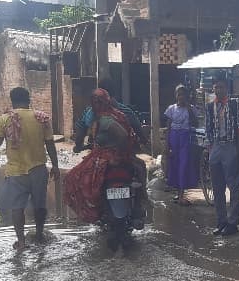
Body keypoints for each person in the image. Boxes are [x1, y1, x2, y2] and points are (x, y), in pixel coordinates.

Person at [0, 87, 59, 250]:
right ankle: (40, 234)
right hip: (38, 169)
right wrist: (55, 165)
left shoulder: (5, 118)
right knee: (39, 205)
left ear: (12, 101)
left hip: (16, 172)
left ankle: (21, 242)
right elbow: (50, 143)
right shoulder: (41, 118)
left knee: (17, 207)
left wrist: (0, 134)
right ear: (29, 100)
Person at [64, 89, 143, 225]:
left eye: (98, 102)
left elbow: (123, 136)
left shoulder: (105, 119)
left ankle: (94, 210)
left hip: (108, 158)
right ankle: (138, 205)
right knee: (140, 169)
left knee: (73, 178)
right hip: (123, 157)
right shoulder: (117, 114)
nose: (96, 105)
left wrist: (116, 155)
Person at [204, 80, 239, 236]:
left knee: (234, 186)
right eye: (215, 88)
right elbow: (208, 128)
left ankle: (232, 222)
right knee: (217, 187)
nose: (218, 91)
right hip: (216, 147)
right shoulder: (210, 106)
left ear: (226, 88)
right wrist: (210, 148)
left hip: (230, 146)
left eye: (221, 87)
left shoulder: (235, 104)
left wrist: (238, 150)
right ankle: (221, 221)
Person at [74, 79, 147, 152]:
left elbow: (80, 132)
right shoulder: (126, 111)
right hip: (122, 154)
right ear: (115, 93)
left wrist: (78, 146)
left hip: (104, 155)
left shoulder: (89, 112)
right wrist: (143, 142)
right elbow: (139, 131)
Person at [162, 85, 200, 205]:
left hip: (185, 140)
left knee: (184, 165)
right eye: (179, 94)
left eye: (183, 94)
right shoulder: (171, 109)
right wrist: (167, 144)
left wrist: (189, 108)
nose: (181, 97)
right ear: (176, 96)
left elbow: (196, 123)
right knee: (175, 166)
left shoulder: (191, 109)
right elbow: (168, 128)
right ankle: (178, 193)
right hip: (174, 140)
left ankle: (182, 194)